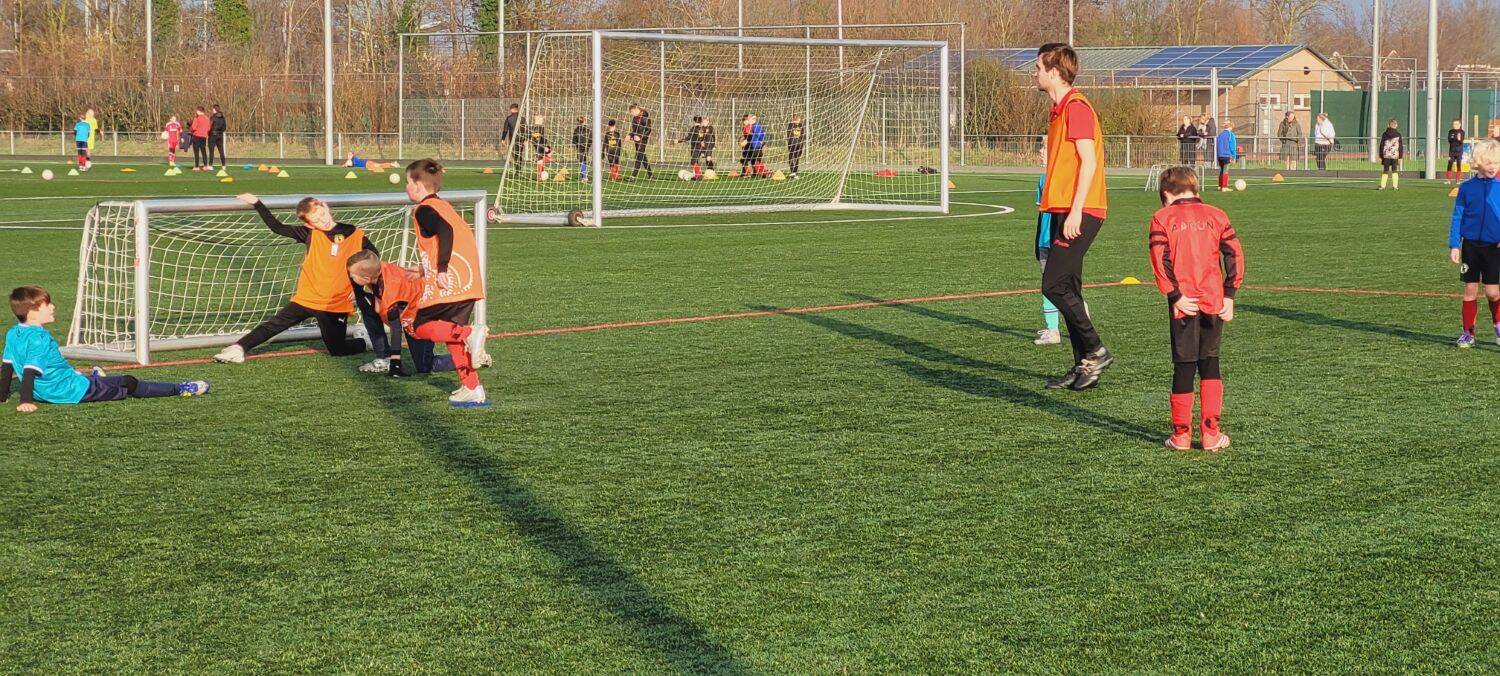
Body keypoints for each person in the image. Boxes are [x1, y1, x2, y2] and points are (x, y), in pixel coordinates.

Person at [212, 193, 385, 365]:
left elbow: (373, 258)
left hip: (335, 303)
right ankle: (238, 348)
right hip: (307, 299)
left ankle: (363, 341)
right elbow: (277, 227)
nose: (321, 220)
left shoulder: (354, 233)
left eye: (322, 215)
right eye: (315, 220)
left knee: (337, 350)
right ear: (308, 223)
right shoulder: (309, 234)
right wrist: (257, 203)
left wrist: (359, 288)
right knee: (275, 324)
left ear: (326, 207)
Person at [1033, 42, 1112, 390]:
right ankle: (1085, 368)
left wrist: (1077, 210)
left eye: (1037, 67)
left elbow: (1090, 162)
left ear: (1053, 72)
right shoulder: (1058, 110)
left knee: (1053, 284)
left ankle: (1095, 349)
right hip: (1062, 207)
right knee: (1070, 287)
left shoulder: (1076, 107)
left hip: (1082, 209)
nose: (1033, 74)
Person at [1148, 167, 1243, 451]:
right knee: (1210, 362)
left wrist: (1174, 294)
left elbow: (1159, 258)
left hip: (1184, 303)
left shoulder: (1161, 217)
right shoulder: (1217, 214)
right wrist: (1230, 294)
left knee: (1184, 365)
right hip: (1214, 299)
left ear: (1165, 194)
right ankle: (1211, 434)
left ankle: (1182, 435)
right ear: (1195, 189)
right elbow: (1234, 254)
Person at [3, 286, 208, 413]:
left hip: (50, 390)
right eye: (47, 304)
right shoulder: (40, 338)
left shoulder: (14, 333)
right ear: (32, 312)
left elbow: (7, 367)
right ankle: (180, 388)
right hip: (70, 391)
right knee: (129, 382)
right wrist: (25, 401)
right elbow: (29, 371)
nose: (53, 307)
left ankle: (96, 378)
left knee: (84, 376)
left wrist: (3, 395)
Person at [404, 158, 489, 406]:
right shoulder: (445, 206)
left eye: (408, 182)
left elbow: (445, 232)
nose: (407, 188)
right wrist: (425, 269)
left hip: (449, 284)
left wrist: (440, 270)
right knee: (450, 335)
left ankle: (469, 332)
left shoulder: (424, 210)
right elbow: (450, 240)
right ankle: (471, 387)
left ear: (418, 185)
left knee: (418, 326)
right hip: (469, 282)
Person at [346, 250, 458, 380]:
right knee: (367, 306)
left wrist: (396, 363)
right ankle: (383, 357)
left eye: (353, 276)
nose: (351, 277)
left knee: (425, 366)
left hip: (422, 313)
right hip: (406, 307)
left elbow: (396, 329)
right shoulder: (377, 269)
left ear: (366, 278)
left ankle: (469, 357)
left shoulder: (391, 294)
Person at [1448, 139, 1500, 349]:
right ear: (1478, 163)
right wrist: (1454, 244)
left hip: (1494, 247)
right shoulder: (1467, 188)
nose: (1493, 167)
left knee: (1492, 292)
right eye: (1489, 163)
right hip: (1470, 246)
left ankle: (1498, 324)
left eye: (1496, 163)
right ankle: (1468, 332)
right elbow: (1457, 217)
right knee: (1470, 289)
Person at [1033, 148, 1061, 346]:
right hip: (1048, 239)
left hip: (1053, 239)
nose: (1041, 152)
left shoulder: (1050, 179)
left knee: (1050, 286)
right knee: (1062, 284)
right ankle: (1078, 314)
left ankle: (1054, 330)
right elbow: (1041, 214)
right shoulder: (1043, 178)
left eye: (1045, 149)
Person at [628, 104, 653, 179]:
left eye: (632, 112)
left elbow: (648, 130)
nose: (631, 113)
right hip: (636, 139)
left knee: (639, 156)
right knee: (642, 156)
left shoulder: (645, 117)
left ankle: (633, 176)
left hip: (643, 140)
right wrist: (630, 135)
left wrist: (640, 137)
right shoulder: (635, 118)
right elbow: (634, 130)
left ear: (636, 109)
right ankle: (651, 174)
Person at [1378, 119, 1403, 191]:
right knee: (1394, 170)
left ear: (1388, 125)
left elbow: (1381, 145)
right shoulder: (1398, 135)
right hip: (1395, 155)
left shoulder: (1384, 134)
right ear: (1396, 125)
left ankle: (1382, 186)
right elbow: (1400, 146)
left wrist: (1381, 155)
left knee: (1385, 170)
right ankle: (1395, 186)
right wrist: (1400, 156)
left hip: (1386, 155)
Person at [1215, 120, 1237, 192]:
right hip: (1226, 155)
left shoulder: (1220, 134)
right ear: (1231, 126)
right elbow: (1232, 146)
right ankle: (1224, 187)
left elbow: (1217, 145)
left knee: (1221, 170)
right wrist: (1233, 156)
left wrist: (1218, 154)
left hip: (1220, 155)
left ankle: (1220, 185)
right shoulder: (1231, 134)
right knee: (1225, 171)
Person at [528, 115, 553, 181]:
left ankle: (541, 174)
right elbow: (536, 138)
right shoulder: (537, 128)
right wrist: (544, 147)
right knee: (543, 158)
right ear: (538, 120)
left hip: (542, 144)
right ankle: (539, 176)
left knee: (543, 158)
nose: (542, 120)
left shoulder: (538, 127)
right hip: (540, 145)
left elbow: (538, 137)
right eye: (541, 119)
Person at [500, 103, 523, 170]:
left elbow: (505, 129)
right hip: (521, 139)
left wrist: (503, 139)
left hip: (513, 139)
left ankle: (517, 168)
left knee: (514, 153)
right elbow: (525, 129)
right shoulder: (522, 118)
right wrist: (525, 139)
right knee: (519, 153)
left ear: (512, 109)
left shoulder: (509, 118)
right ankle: (519, 169)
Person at [189, 106, 211, 172]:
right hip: (204, 136)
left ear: (198, 111)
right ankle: (205, 166)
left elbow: (193, 127)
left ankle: (196, 166)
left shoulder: (197, 118)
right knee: (203, 151)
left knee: (196, 152)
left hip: (196, 136)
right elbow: (209, 128)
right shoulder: (207, 118)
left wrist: (190, 128)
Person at [1446, 119, 1466, 184]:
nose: (1455, 125)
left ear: (1460, 125)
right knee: (1450, 164)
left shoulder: (1462, 132)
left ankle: (1458, 180)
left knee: (1458, 165)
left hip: (1459, 151)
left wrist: (1458, 139)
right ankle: (1448, 180)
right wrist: (1456, 138)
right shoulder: (1450, 131)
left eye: (1456, 124)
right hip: (1451, 151)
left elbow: (1460, 141)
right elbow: (1450, 140)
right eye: (1454, 124)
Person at [208, 104, 227, 170]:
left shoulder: (212, 117)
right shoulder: (223, 118)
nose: (212, 110)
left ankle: (210, 165)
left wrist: (208, 133)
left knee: (211, 151)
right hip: (220, 135)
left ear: (215, 110)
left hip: (212, 135)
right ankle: (224, 165)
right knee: (221, 150)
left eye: (213, 109)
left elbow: (209, 127)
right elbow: (224, 128)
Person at [786, 114, 806, 179]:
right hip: (793, 144)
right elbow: (789, 135)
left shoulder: (801, 126)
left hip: (798, 144)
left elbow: (803, 135)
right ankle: (793, 172)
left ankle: (794, 172)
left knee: (796, 158)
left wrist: (800, 143)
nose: (798, 121)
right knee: (792, 158)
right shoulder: (791, 125)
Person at [571, 116, 590, 181]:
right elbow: (591, 139)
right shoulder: (587, 129)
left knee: (582, 161)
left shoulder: (576, 130)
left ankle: (584, 176)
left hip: (580, 147)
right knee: (583, 161)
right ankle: (584, 176)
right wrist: (588, 146)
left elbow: (573, 141)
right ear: (584, 121)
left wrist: (576, 145)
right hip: (585, 147)